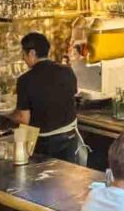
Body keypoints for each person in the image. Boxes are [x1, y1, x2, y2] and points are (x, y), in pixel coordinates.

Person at [10, 32, 80, 163]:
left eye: (23, 54)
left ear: (31, 53)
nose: (23, 58)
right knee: (68, 177)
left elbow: (24, 119)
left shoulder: (25, 80)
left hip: (45, 143)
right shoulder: (67, 71)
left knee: (44, 179)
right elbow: (70, 96)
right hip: (70, 138)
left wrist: (8, 114)